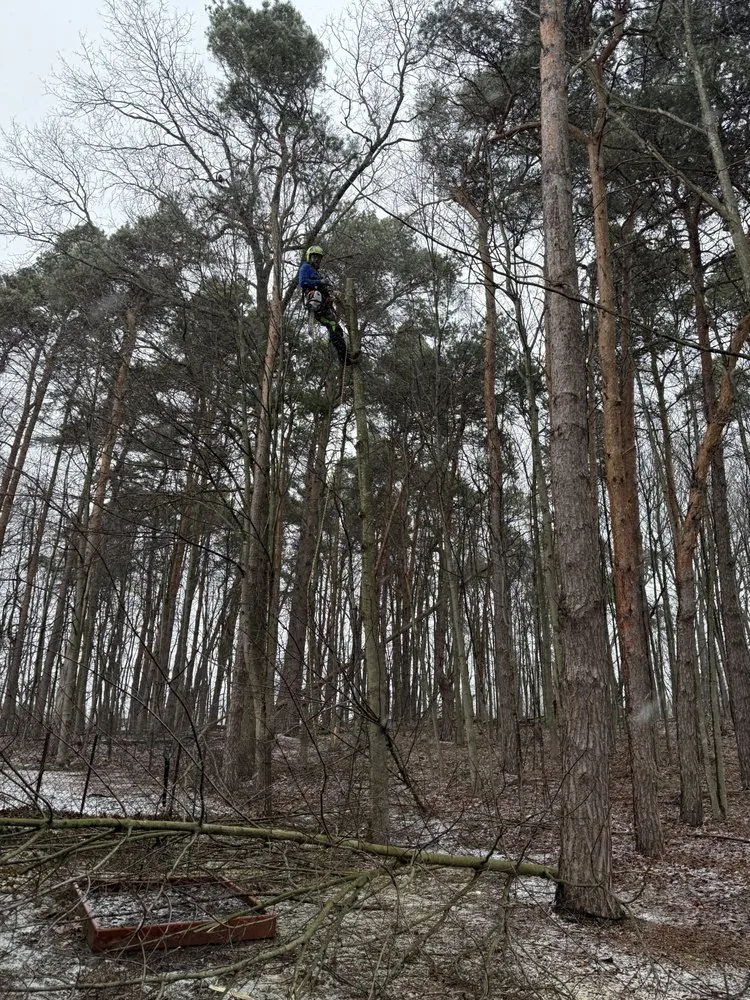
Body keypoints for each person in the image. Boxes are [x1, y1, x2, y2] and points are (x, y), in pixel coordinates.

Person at [298, 246, 359, 366]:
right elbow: (303, 282)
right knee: (334, 327)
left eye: (318, 258)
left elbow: (322, 290)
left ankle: (347, 355)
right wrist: (320, 282)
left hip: (323, 305)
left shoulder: (316, 273)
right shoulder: (306, 267)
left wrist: (329, 297)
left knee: (337, 329)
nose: (317, 260)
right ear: (309, 257)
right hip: (316, 306)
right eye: (314, 257)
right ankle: (345, 359)